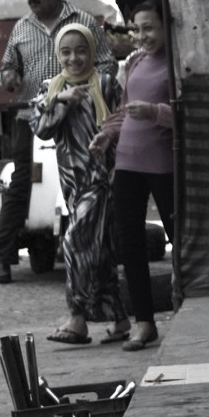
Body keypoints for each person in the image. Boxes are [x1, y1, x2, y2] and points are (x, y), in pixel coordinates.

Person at [0, 0, 115, 283]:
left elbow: (106, 64)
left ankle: (96, 251)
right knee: (22, 182)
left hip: (79, 119)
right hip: (32, 118)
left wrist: (83, 90)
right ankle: (2, 257)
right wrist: (9, 77)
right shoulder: (22, 27)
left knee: (87, 182)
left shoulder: (83, 21)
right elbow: (7, 67)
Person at [29, 24, 127, 344]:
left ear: (92, 51)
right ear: (58, 54)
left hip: (103, 180)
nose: (74, 58)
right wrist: (62, 100)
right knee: (98, 251)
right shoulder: (50, 89)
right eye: (66, 52)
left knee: (73, 243)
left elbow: (125, 126)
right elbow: (40, 129)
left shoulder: (108, 84)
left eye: (81, 50)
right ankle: (120, 319)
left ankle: (77, 318)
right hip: (72, 185)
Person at [91, 0, 173, 351]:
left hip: (163, 165)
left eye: (149, 28)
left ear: (166, 26)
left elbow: (185, 114)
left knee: (178, 239)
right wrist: (107, 133)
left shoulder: (177, 64)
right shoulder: (136, 61)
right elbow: (125, 109)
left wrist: (155, 111)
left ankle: (187, 305)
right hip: (127, 163)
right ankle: (144, 322)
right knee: (130, 245)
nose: (142, 36)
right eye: (137, 29)